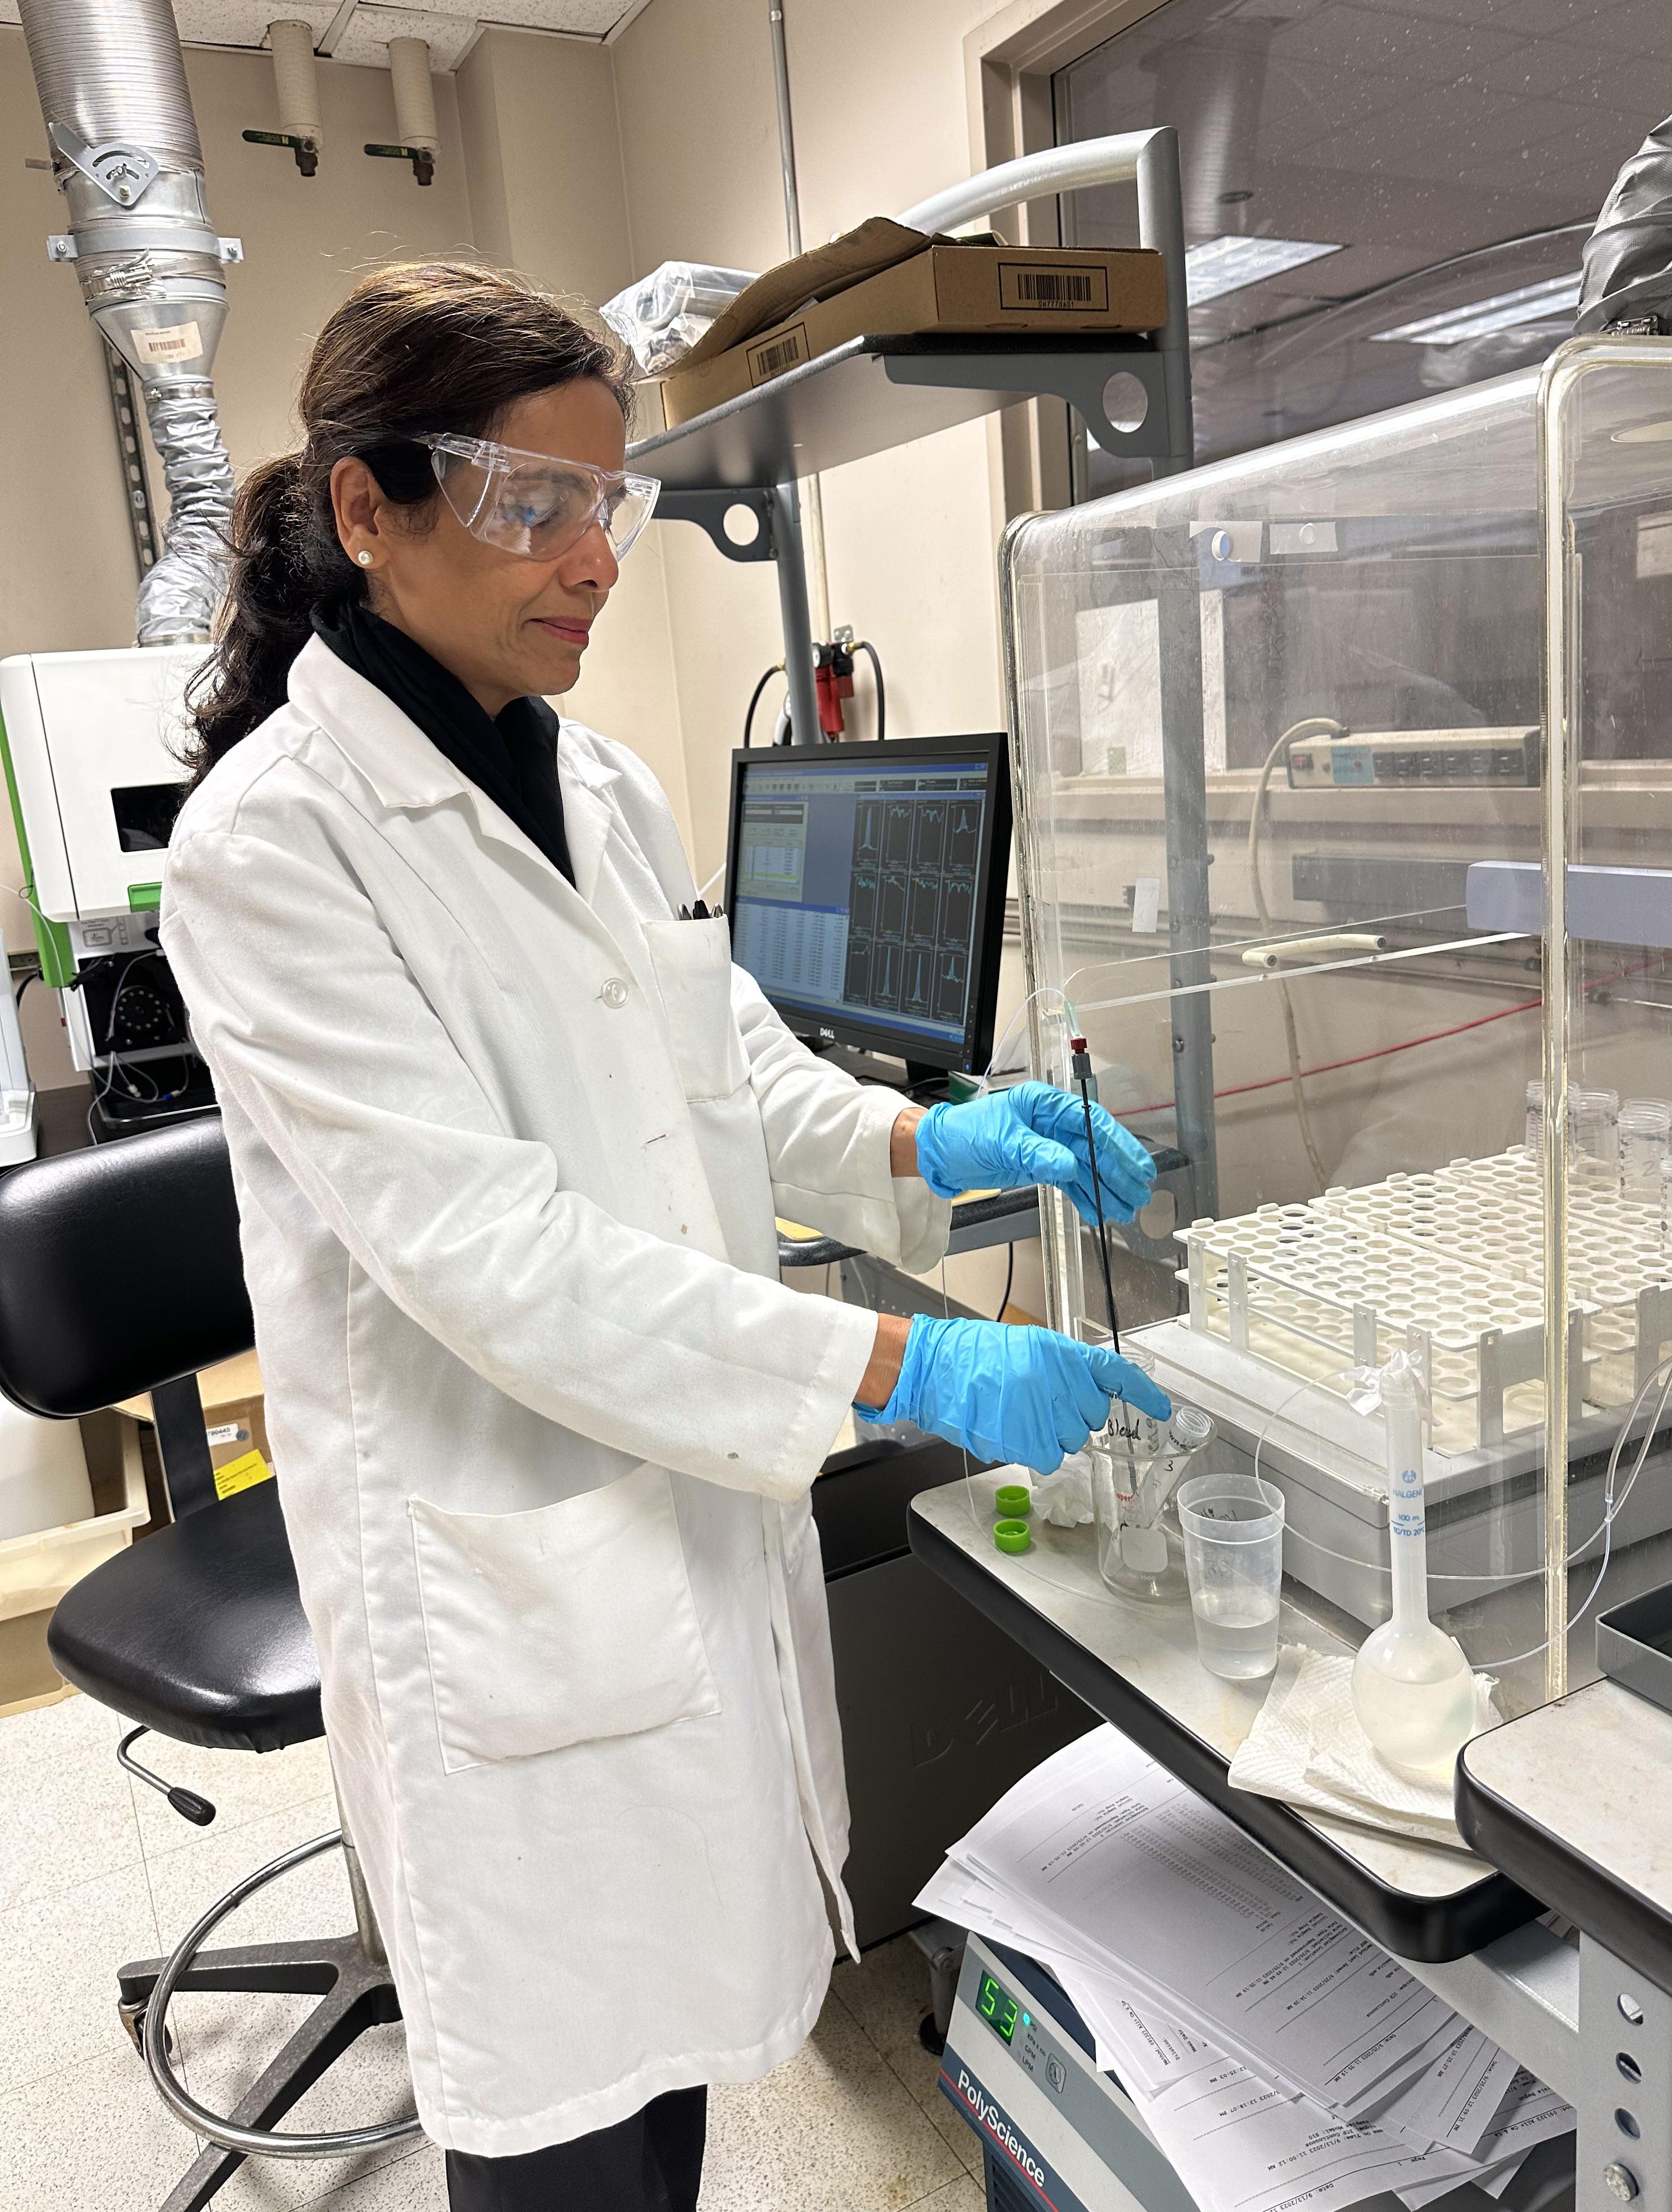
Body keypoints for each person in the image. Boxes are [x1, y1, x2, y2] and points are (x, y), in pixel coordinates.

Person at [162, 261, 1168, 2212]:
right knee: (565, 2120)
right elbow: (498, 1262)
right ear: (366, 512)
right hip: (503, 1572)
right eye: (529, 507)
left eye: (604, 505)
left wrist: (947, 1139)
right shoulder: (275, 845)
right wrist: (912, 1362)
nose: (594, 562)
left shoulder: (598, 781)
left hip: (672, 1528)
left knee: (686, 2050)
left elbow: (734, 1084)